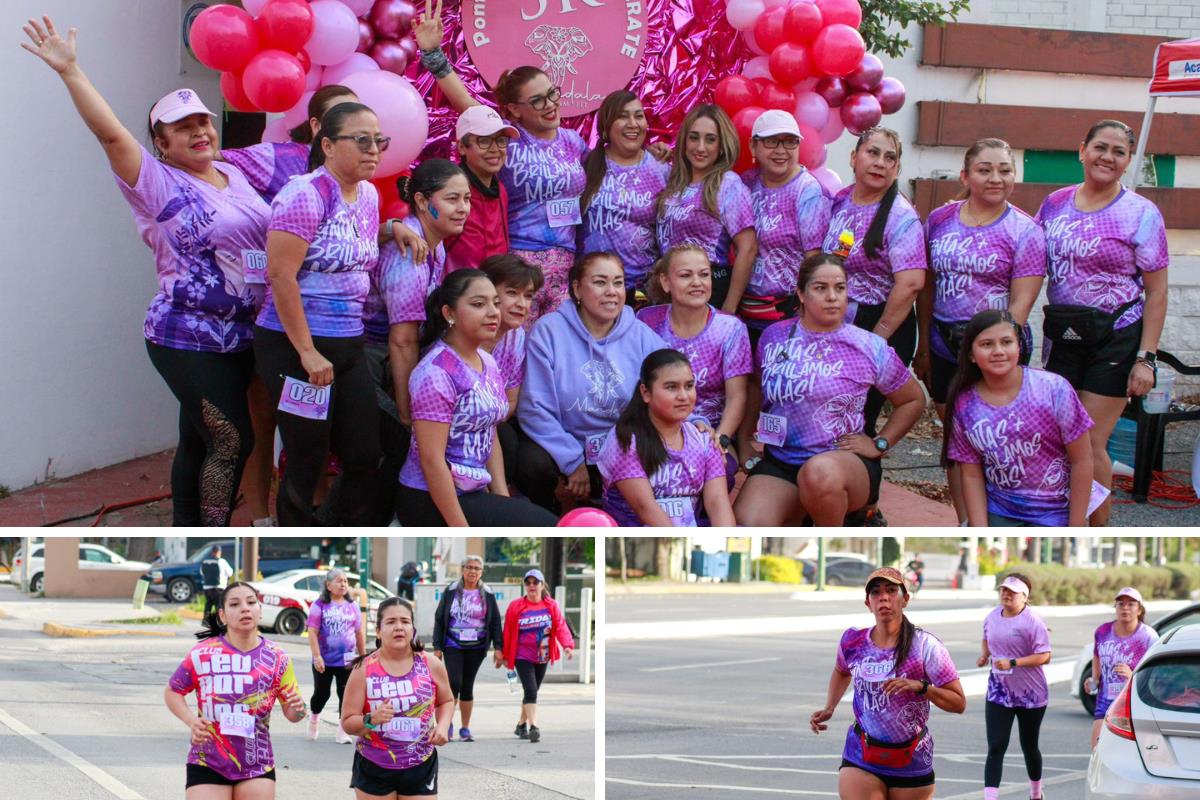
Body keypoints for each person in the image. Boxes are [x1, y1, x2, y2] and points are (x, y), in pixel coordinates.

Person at [23, 17, 270, 527]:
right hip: (184, 335)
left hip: (242, 336)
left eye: (202, 121)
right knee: (230, 438)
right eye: (182, 128)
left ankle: (185, 527)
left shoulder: (238, 174)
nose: (200, 131)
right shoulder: (154, 181)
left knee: (198, 438)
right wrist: (71, 72)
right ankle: (211, 533)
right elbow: (110, 134)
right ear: (161, 143)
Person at [220, 83, 359, 527]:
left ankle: (312, 511)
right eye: (342, 119)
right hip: (260, 308)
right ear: (319, 126)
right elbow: (209, 165)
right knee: (262, 421)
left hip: (327, 323)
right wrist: (245, 219)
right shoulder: (276, 158)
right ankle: (262, 517)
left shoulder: (360, 182)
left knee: (313, 436)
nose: (357, 132)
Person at [413, 1, 586, 324]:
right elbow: (465, 104)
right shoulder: (507, 139)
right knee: (513, 347)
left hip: (566, 263)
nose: (550, 105)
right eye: (537, 100)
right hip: (518, 262)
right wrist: (433, 54)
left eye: (552, 94)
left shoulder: (574, 143)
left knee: (555, 350)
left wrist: (655, 152)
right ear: (514, 109)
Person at [253, 101, 382, 527]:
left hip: (348, 341)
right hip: (294, 345)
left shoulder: (369, 194)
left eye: (378, 140)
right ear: (326, 144)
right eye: (361, 140)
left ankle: (329, 530)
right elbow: (280, 275)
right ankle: (292, 531)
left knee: (364, 453)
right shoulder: (304, 194)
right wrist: (306, 352)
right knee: (306, 455)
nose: (373, 149)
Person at [1036, 120, 1169, 527]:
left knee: (1090, 439)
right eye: (1100, 147)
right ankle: (1070, 521)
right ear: (1082, 150)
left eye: (1118, 152)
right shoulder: (1054, 203)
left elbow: (1158, 291)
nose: (1107, 157)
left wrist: (1145, 359)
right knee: (1062, 439)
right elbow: (1028, 262)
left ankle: (1096, 529)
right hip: (1063, 336)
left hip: (1116, 338)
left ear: (1128, 161)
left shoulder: (1141, 213)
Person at [734, 253, 925, 527]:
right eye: (820, 288)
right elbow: (755, 387)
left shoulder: (868, 346)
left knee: (819, 474)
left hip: (843, 465)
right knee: (747, 524)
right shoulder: (773, 336)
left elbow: (912, 400)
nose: (832, 297)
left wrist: (880, 443)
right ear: (801, 293)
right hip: (783, 462)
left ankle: (837, 535)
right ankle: (802, 517)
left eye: (840, 288)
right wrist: (744, 441)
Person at [916, 138, 1046, 524]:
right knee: (957, 441)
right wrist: (924, 342)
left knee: (995, 440)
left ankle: (999, 517)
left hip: (996, 350)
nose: (996, 178)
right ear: (966, 175)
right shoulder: (939, 220)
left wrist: (994, 350)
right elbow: (928, 286)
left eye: (1004, 170)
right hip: (943, 343)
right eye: (985, 169)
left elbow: (1022, 302)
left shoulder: (1025, 230)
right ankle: (965, 521)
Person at [396, 270, 559, 527]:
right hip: (430, 498)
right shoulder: (434, 373)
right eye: (478, 304)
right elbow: (432, 462)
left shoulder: (487, 361)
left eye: (495, 302)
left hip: (471, 489)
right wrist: (461, 531)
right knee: (547, 525)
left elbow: (489, 431)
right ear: (449, 313)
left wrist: (503, 500)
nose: (493, 312)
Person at [516, 252, 668, 511]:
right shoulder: (549, 330)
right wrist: (572, 461)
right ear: (576, 288)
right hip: (566, 444)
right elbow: (534, 407)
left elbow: (671, 387)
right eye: (600, 282)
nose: (611, 292)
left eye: (618, 283)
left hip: (623, 446)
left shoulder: (643, 336)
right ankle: (550, 511)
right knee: (533, 465)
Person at [810, 568, 965, 800]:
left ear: (905, 599)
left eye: (892, 591)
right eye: (876, 592)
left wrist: (921, 687)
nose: (884, 597)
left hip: (912, 757)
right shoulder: (853, 641)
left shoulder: (926, 646)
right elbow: (841, 671)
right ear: (868, 603)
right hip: (862, 754)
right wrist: (830, 706)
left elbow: (958, 703)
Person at [943, 310, 1096, 527]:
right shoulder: (965, 404)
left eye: (1006, 342)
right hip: (1000, 508)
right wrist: (979, 532)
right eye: (986, 344)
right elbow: (971, 473)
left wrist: (1076, 526)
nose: (998, 351)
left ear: (1020, 346)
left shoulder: (1054, 389)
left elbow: (1082, 459)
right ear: (970, 354)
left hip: (1057, 510)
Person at [824, 127, 927, 441]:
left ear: (896, 169)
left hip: (882, 324)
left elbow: (910, 284)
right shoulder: (839, 201)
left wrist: (875, 340)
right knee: (829, 410)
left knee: (858, 421)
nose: (880, 162)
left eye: (890, 157)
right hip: (838, 321)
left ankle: (860, 481)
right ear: (854, 158)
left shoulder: (901, 217)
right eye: (873, 153)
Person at [164, 581, 307, 797]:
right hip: (207, 760)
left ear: (259, 611)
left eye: (251, 602)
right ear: (222, 615)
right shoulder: (203, 654)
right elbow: (173, 691)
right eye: (235, 604)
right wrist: (191, 720)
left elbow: (293, 713)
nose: (245, 608)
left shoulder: (277, 658)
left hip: (256, 763)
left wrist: (299, 708)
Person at [363, 159, 469, 426]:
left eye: (467, 199)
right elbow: (403, 340)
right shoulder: (409, 255)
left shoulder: (435, 244)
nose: (463, 208)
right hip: (374, 358)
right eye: (452, 199)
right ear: (422, 201)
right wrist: (409, 413)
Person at [413, 4, 516, 272]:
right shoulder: (447, 196)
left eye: (501, 140)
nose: (495, 149)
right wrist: (431, 53)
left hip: (494, 303)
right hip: (458, 302)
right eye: (484, 140)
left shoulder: (501, 191)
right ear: (462, 146)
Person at [637, 245, 752, 466]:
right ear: (665, 282)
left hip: (710, 434)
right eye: (685, 275)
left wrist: (721, 439)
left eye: (704, 274)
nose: (697, 282)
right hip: (655, 430)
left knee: (717, 472)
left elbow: (736, 397)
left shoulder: (730, 328)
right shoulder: (645, 321)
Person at [597, 349, 736, 526]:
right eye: (671, 387)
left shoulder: (703, 439)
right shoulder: (626, 440)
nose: (684, 396)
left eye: (689, 386)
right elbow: (645, 508)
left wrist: (725, 543)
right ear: (646, 393)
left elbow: (717, 502)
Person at [342, 597, 454, 799]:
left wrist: (443, 726)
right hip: (374, 764)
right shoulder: (363, 669)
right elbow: (348, 722)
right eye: (391, 622)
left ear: (413, 628)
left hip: (420, 763)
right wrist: (371, 719)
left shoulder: (431, 664)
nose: (399, 627)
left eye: (405, 621)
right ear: (378, 630)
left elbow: (446, 700)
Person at [656, 104, 757, 313]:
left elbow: (748, 249)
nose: (700, 147)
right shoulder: (674, 181)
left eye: (710, 139)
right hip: (669, 287)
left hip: (708, 287)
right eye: (693, 138)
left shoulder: (728, 185)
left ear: (721, 145)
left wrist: (729, 307)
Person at [740, 110, 830, 339]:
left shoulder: (807, 191)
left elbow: (815, 258)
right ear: (753, 146)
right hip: (746, 312)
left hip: (788, 316)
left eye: (790, 142)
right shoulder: (746, 183)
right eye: (771, 141)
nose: (781, 151)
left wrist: (807, 310)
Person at [579, 90, 671, 299]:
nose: (633, 123)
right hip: (593, 287)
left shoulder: (661, 169)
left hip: (642, 289)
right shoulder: (585, 164)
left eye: (638, 116)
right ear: (606, 126)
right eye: (623, 116)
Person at [977, 574, 1052, 800]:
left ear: (1025, 597)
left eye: (1012, 591)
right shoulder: (991, 617)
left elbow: (1045, 656)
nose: (1006, 594)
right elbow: (987, 637)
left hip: (1031, 695)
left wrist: (1013, 662)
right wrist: (984, 655)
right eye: (1003, 590)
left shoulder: (1033, 621)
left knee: (1029, 746)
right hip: (999, 692)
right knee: (996, 745)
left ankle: (1036, 794)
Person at [221, 84, 358, 204]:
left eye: (357, 115)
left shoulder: (357, 167)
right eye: (340, 116)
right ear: (316, 125)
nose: (353, 123)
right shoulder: (276, 157)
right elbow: (213, 160)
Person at [479, 255, 544, 484]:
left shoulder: (516, 337)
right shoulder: (464, 335)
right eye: (512, 293)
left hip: (491, 424)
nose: (522, 304)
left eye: (528, 296)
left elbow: (511, 401)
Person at [431, 555, 504, 742]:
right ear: (462, 569)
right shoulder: (452, 590)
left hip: (477, 646)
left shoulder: (487, 593)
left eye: (477, 569)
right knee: (453, 682)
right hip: (453, 644)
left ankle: (465, 728)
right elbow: (440, 619)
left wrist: (498, 647)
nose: (473, 571)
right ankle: (446, 724)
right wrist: (437, 646)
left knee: (467, 686)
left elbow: (495, 621)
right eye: (469, 567)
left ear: (481, 572)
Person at [502, 569, 575, 744]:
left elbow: (561, 626)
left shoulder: (551, 605)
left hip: (543, 655)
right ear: (524, 585)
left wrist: (567, 645)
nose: (532, 586)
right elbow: (508, 632)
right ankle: (534, 727)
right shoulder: (516, 606)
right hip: (522, 655)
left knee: (531, 692)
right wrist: (503, 654)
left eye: (536, 582)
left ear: (543, 585)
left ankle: (521, 724)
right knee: (531, 691)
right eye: (528, 582)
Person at [1087, 586, 1158, 748]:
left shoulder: (1148, 636)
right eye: (1120, 604)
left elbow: (1155, 674)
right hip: (1105, 702)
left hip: (1134, 703)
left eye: (1131, 604)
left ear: (1139, 610)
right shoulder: (1103, 631)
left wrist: (1132, 675)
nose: (1125, 608)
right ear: (1116, 608)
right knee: (1097, 751)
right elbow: (1097, 655)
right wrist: (1094, 679)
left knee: (1127, 753)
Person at [306, 569, 366, 744]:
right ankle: (314, 718)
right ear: (328, 585)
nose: (343, 584)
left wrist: (363, 657)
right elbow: (312, 632)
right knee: (321, 694)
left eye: (346, 581)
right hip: (324, 659)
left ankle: (342, 731)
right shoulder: (319, 605)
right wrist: (317, 656)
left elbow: (359, 634)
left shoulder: (352, 605)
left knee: (346, 694)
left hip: (347, 659)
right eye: (339, 581)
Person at [200, 545, 234, 619]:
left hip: (207, 588)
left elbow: (202, 573)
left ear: (212, 552)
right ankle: (219, 622)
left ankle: (206, 621)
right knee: (219, 606)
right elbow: (230, 573)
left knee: (208, 604)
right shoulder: (222, 561)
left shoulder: (205, 561)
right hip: (219, 588)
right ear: (219, 552)